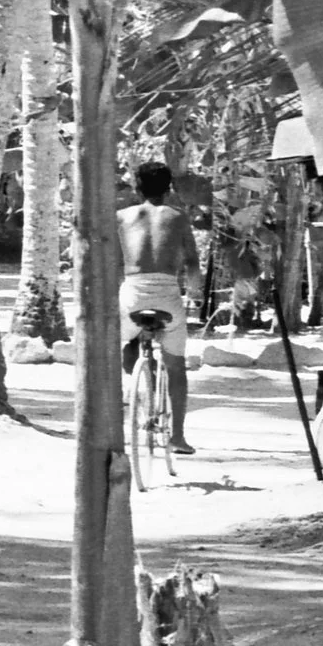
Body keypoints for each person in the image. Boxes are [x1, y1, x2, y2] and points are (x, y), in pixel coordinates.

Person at [117, 160, 203, 455]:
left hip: (132, 294)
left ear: (136, 187)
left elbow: (115, 262)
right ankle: (177, 437)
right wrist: (196, 291)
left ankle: (139, 387)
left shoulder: (121, 217)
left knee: (116, 346)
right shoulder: (178, 217)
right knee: (177, 367)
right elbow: (192, 262)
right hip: (167, 297)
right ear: (169, 189)